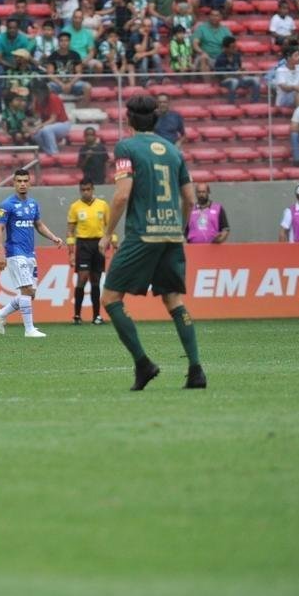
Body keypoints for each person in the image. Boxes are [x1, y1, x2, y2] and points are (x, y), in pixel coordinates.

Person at [99, 94, 206, 391]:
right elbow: (190, 198)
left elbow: (122, 195)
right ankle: (196, 369)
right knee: (174, 300)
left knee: (110, 298)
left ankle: (143, 364)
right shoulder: (173, 150)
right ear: (156, 120)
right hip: (172, 234)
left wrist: (107, 233)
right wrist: (179, 229)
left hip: (143, 233)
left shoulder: (126, 147)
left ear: (129, 119)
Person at [0, 169, 66, 338]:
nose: (22, 184)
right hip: (15, 252)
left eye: (25, 180)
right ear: (14, 183)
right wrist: (0, 252)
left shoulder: (33, 204)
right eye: (19, 181)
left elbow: (38, 224)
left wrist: (53, 237)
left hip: (30, 253)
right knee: (26, 290)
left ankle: (2, 313)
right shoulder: (6, 205)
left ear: (30, 183)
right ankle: (29, 329)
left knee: (30, 293)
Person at [66, 179, 110, 326]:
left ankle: (96, 316)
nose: (86, 192)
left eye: (88, 189)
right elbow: (70, 231)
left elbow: (109, 226)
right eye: (83, 190)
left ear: (93, 189)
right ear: (80, 191)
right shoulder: (75, 207)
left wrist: (112, 242)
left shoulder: (102, 205)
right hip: (83, 245)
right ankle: (77, 315)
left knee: (96, 280)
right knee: (83, 278)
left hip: (98, 244)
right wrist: (71, 252)